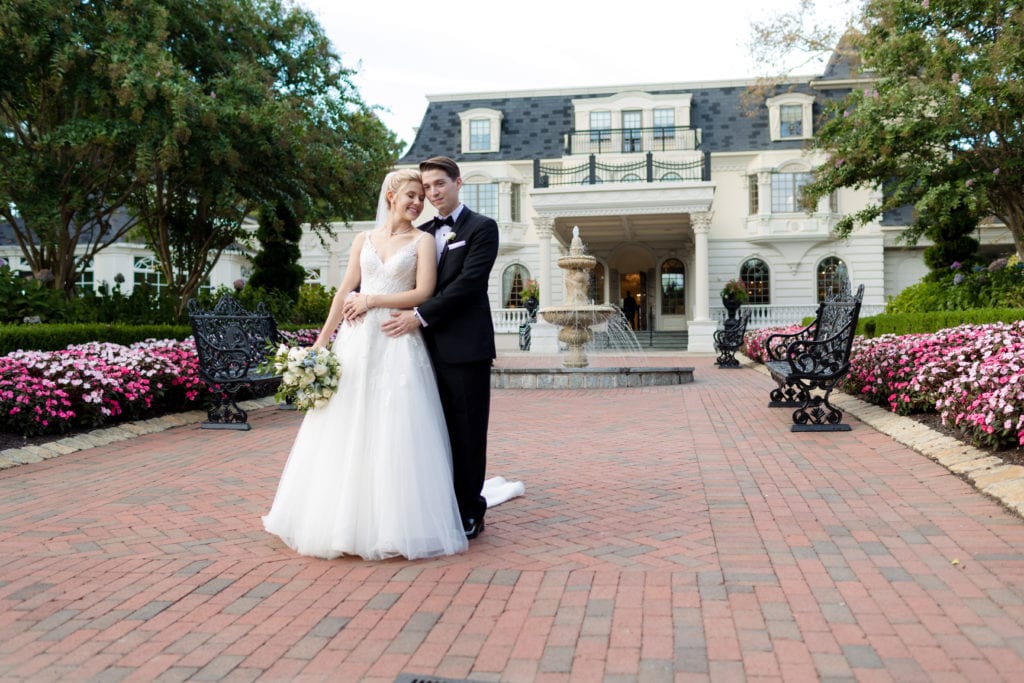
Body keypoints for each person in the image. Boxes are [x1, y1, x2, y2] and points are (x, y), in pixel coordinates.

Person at [262, 169, 468, 560]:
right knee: (346, 423)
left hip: (396, 338)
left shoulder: (423, 242)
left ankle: (393, 523)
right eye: (410, 194)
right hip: (356, 342)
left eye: (420, 197)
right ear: (390, 195)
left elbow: (424, 291)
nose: (417, 202)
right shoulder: (363, 239)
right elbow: (345, 290)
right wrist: (321, 341)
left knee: (395, 426)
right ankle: (339, 520)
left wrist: (371, 300)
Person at [381, 156, 499, 540]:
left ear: (457, 183)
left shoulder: (483, 228)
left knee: (467, 432)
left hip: (465, 348)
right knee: (433, 432)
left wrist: (419, 315)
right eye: (426, 187)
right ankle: (439, 504)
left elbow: (467, 285)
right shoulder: (422, 233)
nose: (431, 193)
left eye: (438, 185)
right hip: (421, 350)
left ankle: (470, 510)